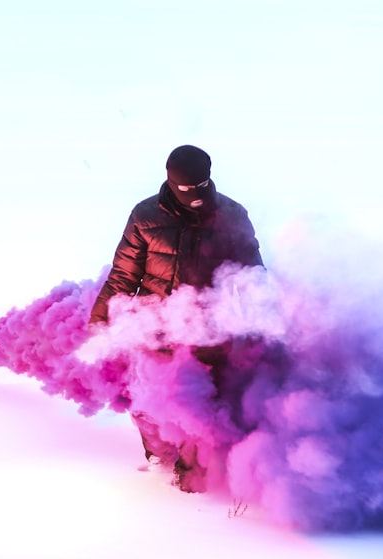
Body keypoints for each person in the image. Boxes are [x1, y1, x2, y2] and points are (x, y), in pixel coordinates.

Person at [89, 145, 264, 491]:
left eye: (201, 187)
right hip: (156, 327)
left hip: (210, 331)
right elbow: (124, 275)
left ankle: (194, 476)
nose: (195, 196)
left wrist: (262, 320)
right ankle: (157, 457)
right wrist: (102, 318)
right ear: (171, 182)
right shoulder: (145, 216)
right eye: (186, 189)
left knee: (197, 403)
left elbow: (252, 276)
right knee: (150, 401)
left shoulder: (231, 215)